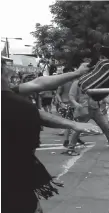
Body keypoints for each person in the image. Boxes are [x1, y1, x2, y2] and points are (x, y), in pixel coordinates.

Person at [2, 58, 100, 213]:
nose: (8, 71)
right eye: (4, 68)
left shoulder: (11, 98)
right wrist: (73, 124)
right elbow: (33, 112)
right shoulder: (16, 104)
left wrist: (78, 72)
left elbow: (39, 83)